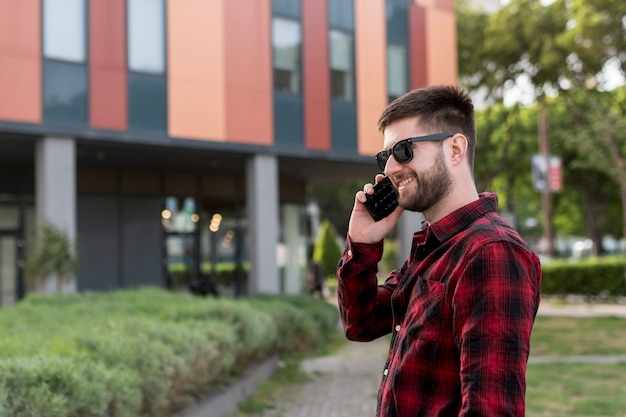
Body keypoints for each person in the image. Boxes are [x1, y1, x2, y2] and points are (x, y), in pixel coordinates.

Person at [336, 85, 542, 417]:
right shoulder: (435, 246)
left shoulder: (491, 253)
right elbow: (361, 323)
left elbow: (490, 410)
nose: (389, 169)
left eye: (403, 150)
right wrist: (362, 243)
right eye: (384, 156)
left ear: (455, 148)